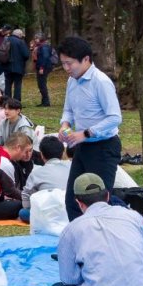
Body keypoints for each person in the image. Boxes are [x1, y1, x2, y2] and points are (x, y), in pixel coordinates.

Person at [56, 36, 122, 221]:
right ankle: (79, 236)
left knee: (98, 202)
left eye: (70, 63)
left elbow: (115, 117)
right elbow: (68, 110)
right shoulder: (72, 81)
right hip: (82, 147)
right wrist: (65, 125)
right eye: (63, 63)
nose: (66, 68)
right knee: (73, 200)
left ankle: (105, 237)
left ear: (85, 59)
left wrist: (86, 133)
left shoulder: (101, 81)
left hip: (104, 147)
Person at [19, 136, 70, 221]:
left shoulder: (37, 173)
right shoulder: (70, 169)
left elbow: (26, 194)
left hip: (46, 214)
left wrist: (29, 208)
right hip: (68, 212)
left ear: (42, 155)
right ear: (62, 154)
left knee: (23, 212)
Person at [3, 27, 30, 103]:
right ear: (19, 35)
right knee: (17, 85)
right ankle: (16, 102)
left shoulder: (6, 40)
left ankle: (7, 101)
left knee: (7, 85)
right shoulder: (21, 42)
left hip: (7, 66)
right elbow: (26, 55)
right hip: (18, 67)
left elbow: (1, 53)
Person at [32, 32, 57, 107]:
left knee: (42, 84)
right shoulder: (40, 46)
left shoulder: (44, 46)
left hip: (44, 67)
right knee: (41, 84)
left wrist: (41, 68)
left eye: (37, 38)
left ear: (41, 39)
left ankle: (46, 102)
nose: (35, 40)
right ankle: (44, 101)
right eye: (35, 38)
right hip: (43, 66)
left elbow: (45, 58)